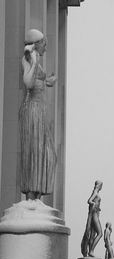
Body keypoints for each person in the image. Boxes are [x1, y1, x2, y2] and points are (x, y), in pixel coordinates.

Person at [19, 29, 57, 200]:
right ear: (36, 43)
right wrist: (34, 62)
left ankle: (36, 195)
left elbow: (37, 82)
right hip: (32, 110)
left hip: (40, 112)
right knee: (34, 151)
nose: (46, 48)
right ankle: (31, 195)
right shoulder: (29, 58)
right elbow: (28, 82)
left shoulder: (37, 60)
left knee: (47, 154)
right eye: (44, 44)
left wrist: (48, 81)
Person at [81, 180, 103, 257]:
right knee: (100, 233)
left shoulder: (95, 192)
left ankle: (91, 250)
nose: (101, 187)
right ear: (99, 185)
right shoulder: (95, 192)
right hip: (94, 214)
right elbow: (89, 200)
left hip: (95, 213)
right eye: (101, 185)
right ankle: (91, 251)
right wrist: (94, 205)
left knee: (93, 233)